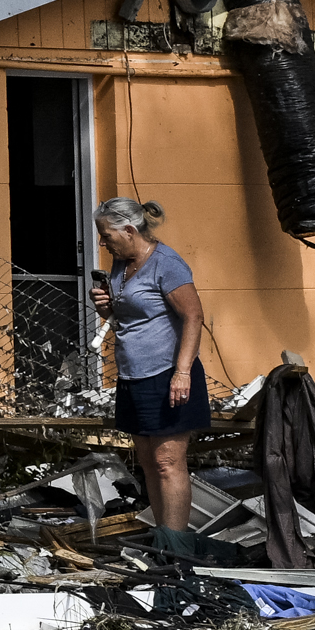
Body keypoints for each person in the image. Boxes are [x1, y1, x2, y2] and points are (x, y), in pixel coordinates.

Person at [92, 195, 211, 555]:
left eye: (106, 235)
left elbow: (194, 316)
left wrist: (183, 373)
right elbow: (137, 312)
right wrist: (109, 306)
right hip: (133, 375)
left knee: (167, 463)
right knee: (147, 462)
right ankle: (163, 541)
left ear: (129, 230)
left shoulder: (167, 264)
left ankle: (177, 551)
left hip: (168, 374)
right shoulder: (121, 263)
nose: (103, 243)